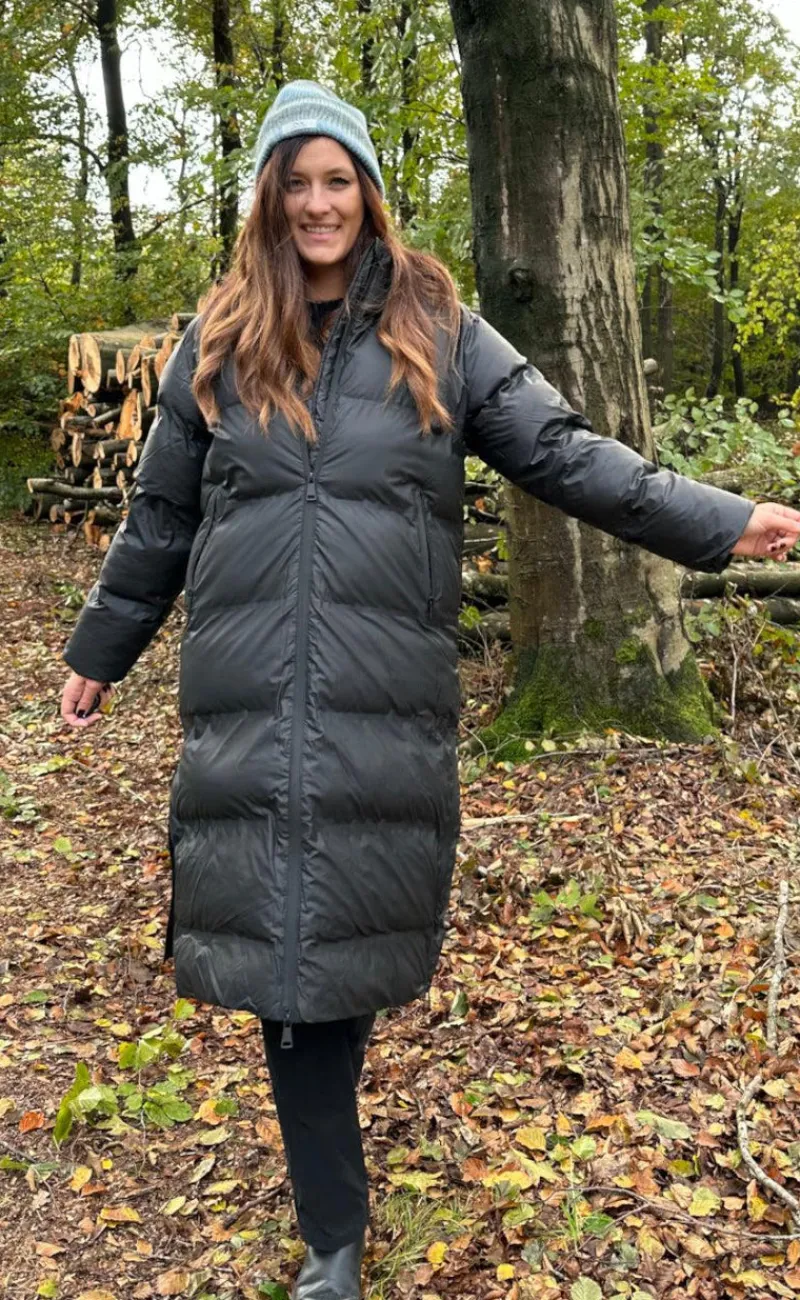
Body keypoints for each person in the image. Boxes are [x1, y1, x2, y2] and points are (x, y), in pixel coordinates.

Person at [59, 80, 800, 1300]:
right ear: (267, 199)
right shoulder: (217, 338)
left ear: (366, 191)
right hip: (246, 701)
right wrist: (101, 647)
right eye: (294, 183)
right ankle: (333, 1238)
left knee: (337, 957)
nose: (316, 204)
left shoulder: (439, 326)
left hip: (381, 702)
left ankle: (332, 1199)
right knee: (284, 979)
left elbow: (563, 453)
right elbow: (158, 518)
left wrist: (717, 519)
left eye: (335, 180)